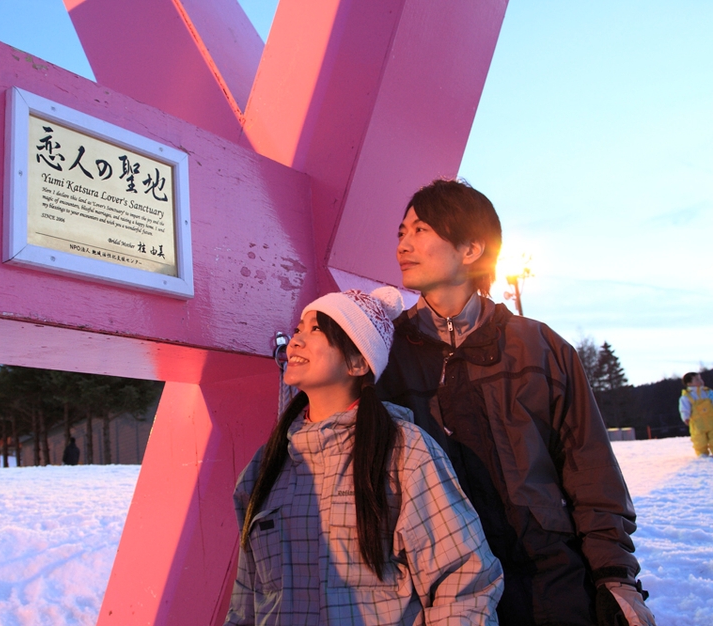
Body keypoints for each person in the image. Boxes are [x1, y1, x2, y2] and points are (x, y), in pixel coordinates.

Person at [377, 179, 655, 626]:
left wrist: (615, 578)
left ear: (471, 249)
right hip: (441, 595)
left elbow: (591, 472)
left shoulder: (540, 346)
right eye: (401, 232)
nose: (403, 245)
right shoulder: (386, 357)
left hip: (552, 584)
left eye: (420, 230)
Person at [225, 287, 503, 625]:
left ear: (358, 362)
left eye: (316, 329)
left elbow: (463, 583)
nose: (296, 340)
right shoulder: (266, 464)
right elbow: (246, 600)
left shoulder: (405, 452)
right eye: (298, 329)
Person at [679, 372, 713, 457]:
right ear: (689, 383)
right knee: (699, 439)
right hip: (697, 424)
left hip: (711, 420)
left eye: (700, 378)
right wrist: (685, 417)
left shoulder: (708, 392)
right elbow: (684, 408)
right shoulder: (687, 396)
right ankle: (702, 453)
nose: (700, 381)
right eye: (697, 379)